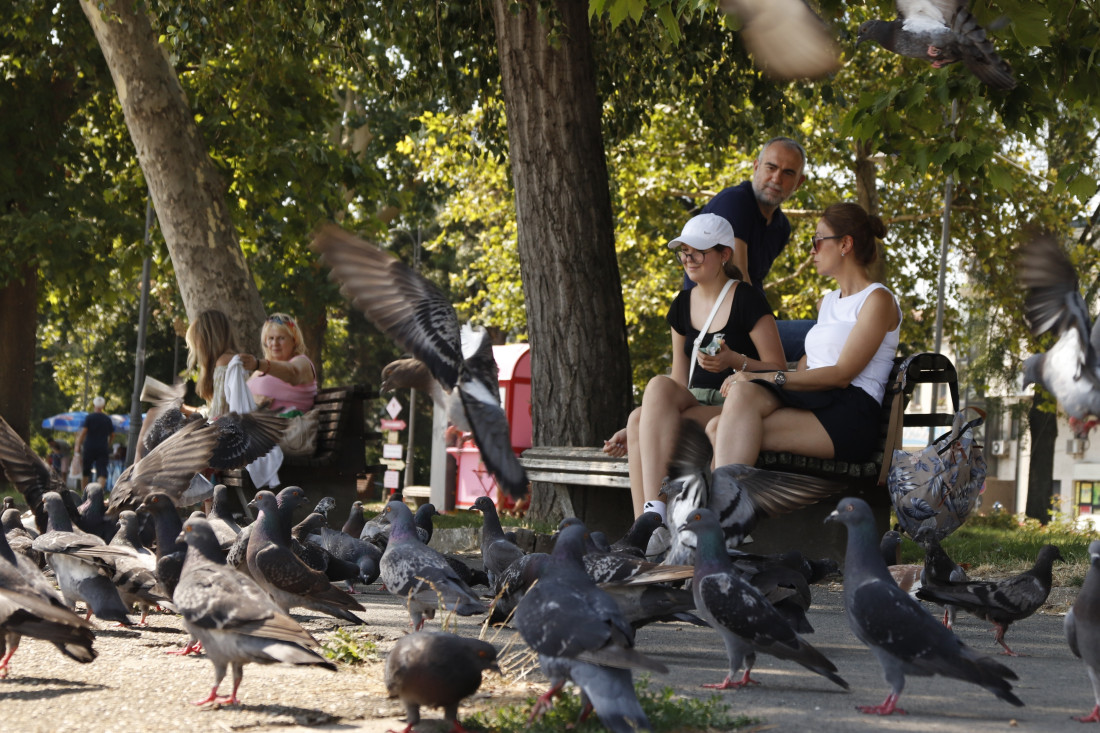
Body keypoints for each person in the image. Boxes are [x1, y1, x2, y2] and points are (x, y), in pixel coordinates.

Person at [603, 214, 787, 521]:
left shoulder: (746, 299)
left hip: (732, 407)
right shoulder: (681, 303)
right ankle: (648, 524)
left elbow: (778, 369)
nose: (688, 259)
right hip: (693, 401)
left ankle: (651, 524)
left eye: (698, 251)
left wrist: (734, 361)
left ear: (724, 254)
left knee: (641, 417)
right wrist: (649, 415)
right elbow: (678, 381)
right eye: (683, 252)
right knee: (644, 406)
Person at [709, 202, 901, 469]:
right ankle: (723, 508)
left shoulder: (877, 299)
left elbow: (842, 374)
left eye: (819, 240)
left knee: (725, 431)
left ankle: (718, 509)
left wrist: (762, 376)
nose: (813, 250)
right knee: (728, 413)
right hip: (817, 399)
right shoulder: (828, 302)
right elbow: (809, 364)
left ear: (845, 244)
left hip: (849, 414)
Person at [687, 137, 814, 359]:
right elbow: (740, 278)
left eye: (788, 173)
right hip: (712, 329)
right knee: (820, 334)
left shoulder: (781, 227)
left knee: (828, 336)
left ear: (799, 182)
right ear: (756, 167)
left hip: (745, 326)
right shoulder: (735, 202)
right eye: (771, 167)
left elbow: (755, 284)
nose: (776, 178)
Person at [238, 313, 318, 414]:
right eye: (271, 338)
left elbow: (292, 373)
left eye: (281, 338)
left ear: (294, 340)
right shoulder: (261, 370)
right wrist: (253, 399)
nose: (275, 343)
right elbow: (241, 394)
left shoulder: (302, 362)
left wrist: (258, 364)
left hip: (285, 425)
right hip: (256, 424)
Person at [184, 309, 241, 420]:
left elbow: (218, 416)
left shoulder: (225, 363)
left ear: (207, 340)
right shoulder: (231, 360)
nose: (196, 348)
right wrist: (184, 409)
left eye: (196, 340)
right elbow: (216, 412)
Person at [74, 396, 114, 488]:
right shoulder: (107, 419)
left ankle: (84, 493)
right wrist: (108, 444)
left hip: (89, 447)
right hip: (102, 447)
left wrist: (78, 445)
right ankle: (99, 492)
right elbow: (112, 435)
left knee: (86, 470)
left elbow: (83, 432)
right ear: (103, 406)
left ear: (94, 405)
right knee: (102, 470)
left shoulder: (89, 417)